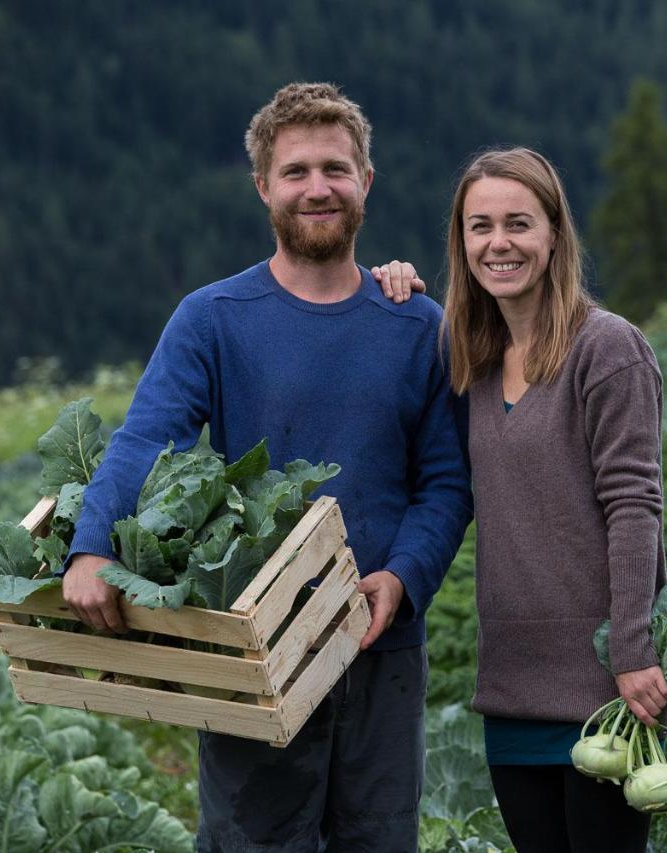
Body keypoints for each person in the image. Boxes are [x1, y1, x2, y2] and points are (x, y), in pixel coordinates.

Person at [62, 82, 473, 852]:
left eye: (336, 168)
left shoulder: (418, 324)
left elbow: (446, 481)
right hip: (252, 652)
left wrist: (406, 574)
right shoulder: (212, 318)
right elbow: (146, 438)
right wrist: (90, 544)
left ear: (366, 183)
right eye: (296, 172)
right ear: (263, 187)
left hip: (377, 651)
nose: (318, 187)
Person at [382, 147, 667, 852]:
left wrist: (633, 648)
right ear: (462, 242)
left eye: (518, 223)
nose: (499, 242)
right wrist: (388, 281)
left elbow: (635, 502)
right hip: (511, 684)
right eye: (480, 226)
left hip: (603, 685)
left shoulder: (607, 348)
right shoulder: (471, 360)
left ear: (554, 235)